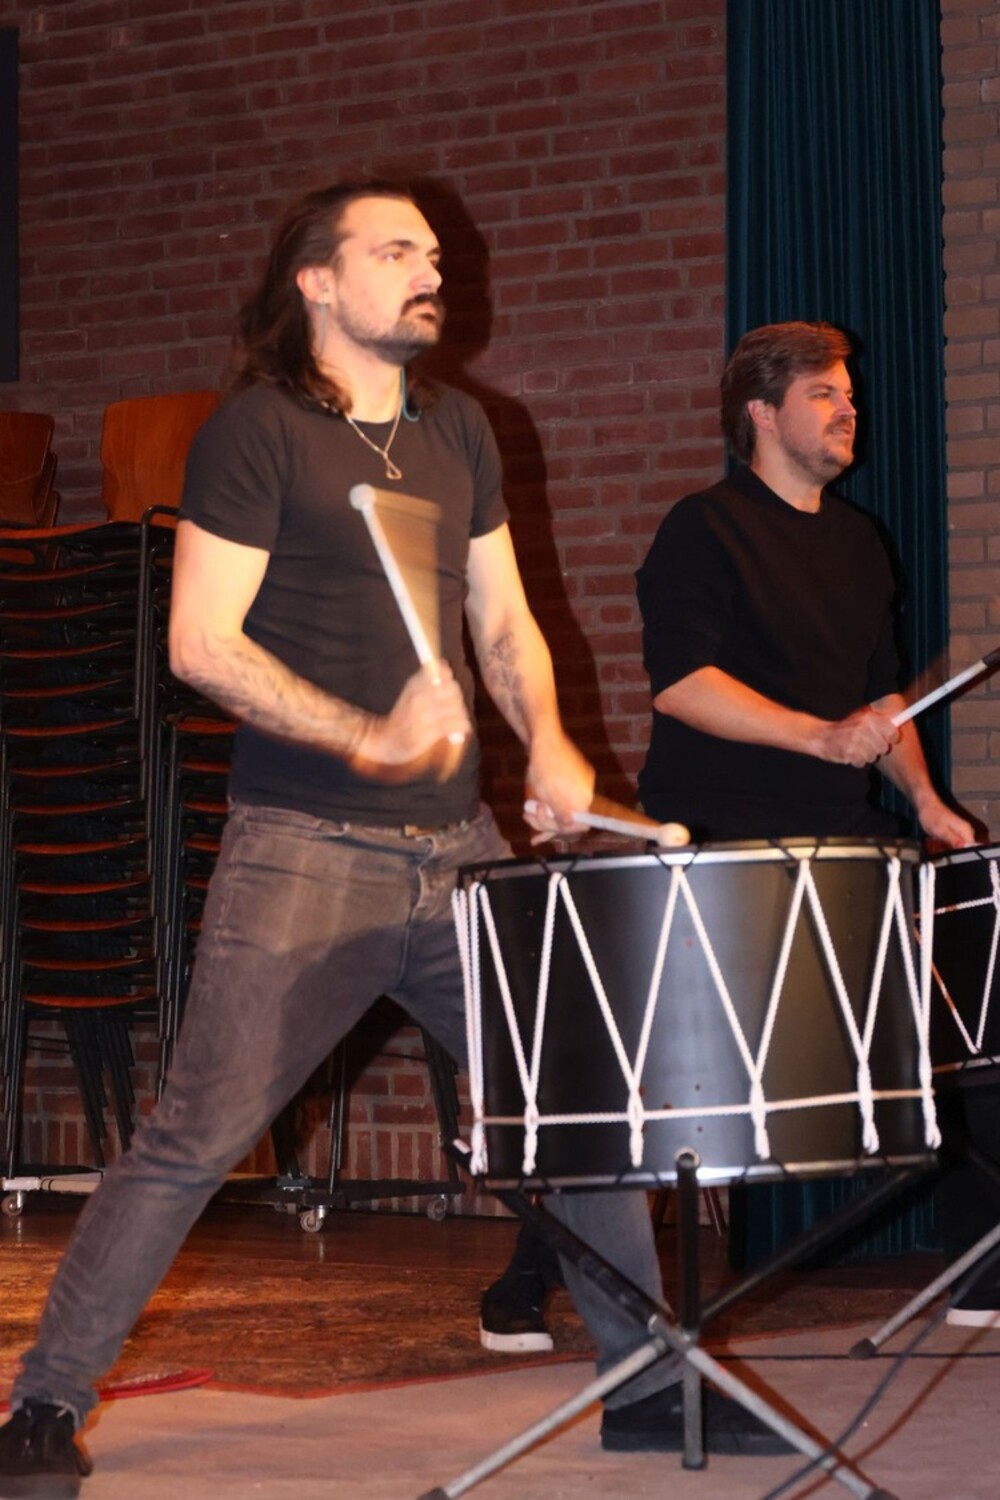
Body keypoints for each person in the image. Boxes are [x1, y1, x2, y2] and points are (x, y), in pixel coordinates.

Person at [0, 183, 788, 1500]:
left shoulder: (459, 428)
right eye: (395, 251)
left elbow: (505, 621)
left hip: (458, 850)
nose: (431, 270)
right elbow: (200, 643)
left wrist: (550, 744)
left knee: (576, 1108)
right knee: (195, 1138)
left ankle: (651, 1385)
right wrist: (367, 735)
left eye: (433, 252)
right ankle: (44, 1403)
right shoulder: (257, 431)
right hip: (303, 851)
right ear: (314, 281)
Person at [483, 319, 977, 1346]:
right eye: (824, 394)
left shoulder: (860, 542)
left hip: (843, 839)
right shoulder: (702, 529)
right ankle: (533, 1272)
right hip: (717, 841)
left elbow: (881, 704)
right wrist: (817, 735)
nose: (848, 411)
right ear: (760, 412)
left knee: (958, 1031)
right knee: (659, 1096)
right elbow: (681, 685)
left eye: (849, 395)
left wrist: (929, 804)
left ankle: (981, 1270)